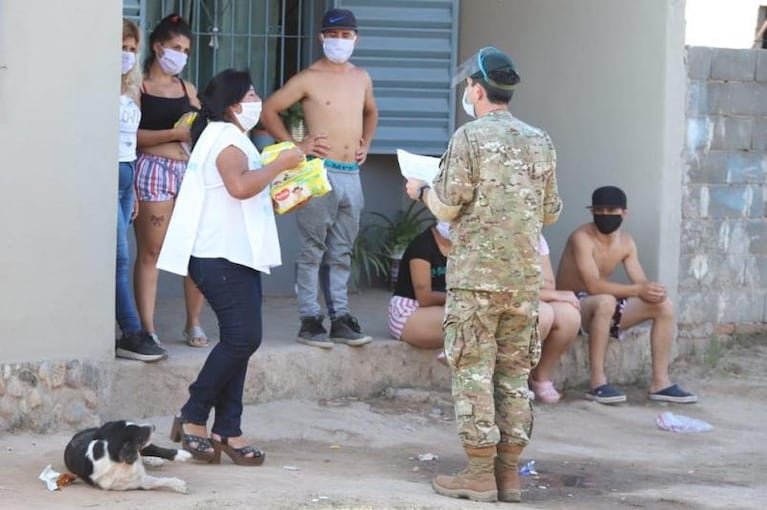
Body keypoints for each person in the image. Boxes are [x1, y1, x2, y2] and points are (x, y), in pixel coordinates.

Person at [405, 47, 562, 503]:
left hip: (476, 280)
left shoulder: (468, 138)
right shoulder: (541, 140)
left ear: (476, 88)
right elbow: (551, 213)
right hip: (523, 282)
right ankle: (508, 477)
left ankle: (478, 475)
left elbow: (449, 205)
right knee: (514, 377)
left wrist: (421, 192)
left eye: (467, 88)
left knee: (473, 372)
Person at [157, 69, 304, 465]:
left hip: (236, 254)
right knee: (242, 339)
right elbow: (239, 185)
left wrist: (287, 189)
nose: (258, 100)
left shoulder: (233, 139)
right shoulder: (225, 138)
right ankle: (192, 416)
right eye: (252, 94)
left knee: (240, 340)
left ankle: (228, 428)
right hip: (218, 255)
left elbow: (245, 193)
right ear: (234, 104)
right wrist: (282, 160)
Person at [261, 8, 378, 349]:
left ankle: (340, 316)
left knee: (342, 249)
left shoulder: (361, 77)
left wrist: (366, 144)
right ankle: (310, 318)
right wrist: (294, 147)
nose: (340, 42)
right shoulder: (308, 77)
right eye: (334, 35)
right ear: (322, 37)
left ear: (355, 38)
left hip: (351, 172)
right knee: (313, 248)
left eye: (346, 36)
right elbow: (270, 109)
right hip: (319, 170)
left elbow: (372, 111)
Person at [556, 186, 697, 405]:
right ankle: (597, 383)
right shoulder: (581, 237)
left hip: (603, 303)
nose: (604, 215)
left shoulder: (627, 243)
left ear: (624, 213)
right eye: (599, 210)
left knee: (664, 305)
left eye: (611, 210)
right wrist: (638, 290)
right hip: (572, 305)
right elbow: (593, 286)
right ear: (592, 212)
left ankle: (660, 382)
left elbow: (639, 282)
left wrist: (652, 290)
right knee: (605, 301)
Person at [134, 14, 208, 349]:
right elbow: (130, 136)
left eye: (186, 50)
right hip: (152, 171)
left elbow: (201, 131)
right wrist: (174, 134)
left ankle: (193, 323)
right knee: (152, 250)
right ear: (157, 46)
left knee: (194, 251)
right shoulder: (139, 86)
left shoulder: (187, 88)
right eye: (175, 47)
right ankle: (147, 328)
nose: (180, 54)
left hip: (187, 173)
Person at [114, 19, 165, 362]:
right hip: (107, 176)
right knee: (119, 258)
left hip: (125, 178)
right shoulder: (97, 86)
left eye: (133, 49)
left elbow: (130, 144)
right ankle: (132, 331)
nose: (128, 55)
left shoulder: (131, 89)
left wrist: (130, 194)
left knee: (121, 256)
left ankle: (132, 330)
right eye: (122, 47)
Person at [529, 235, 581, 403]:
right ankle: (513, 378)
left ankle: (539, 376)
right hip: (502, 301)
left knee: (569, 316)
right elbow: (504, 288)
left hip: (534, 296)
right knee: (542, 314)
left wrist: (546, 293)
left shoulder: (536, 236)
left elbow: (549, 283)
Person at [387, 223, 451, 349]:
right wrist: (456, 297)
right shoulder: (422, 246)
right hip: (408, 309)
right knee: (463, 316)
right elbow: (424, 298)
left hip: (440, 308)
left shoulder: (462, 248)